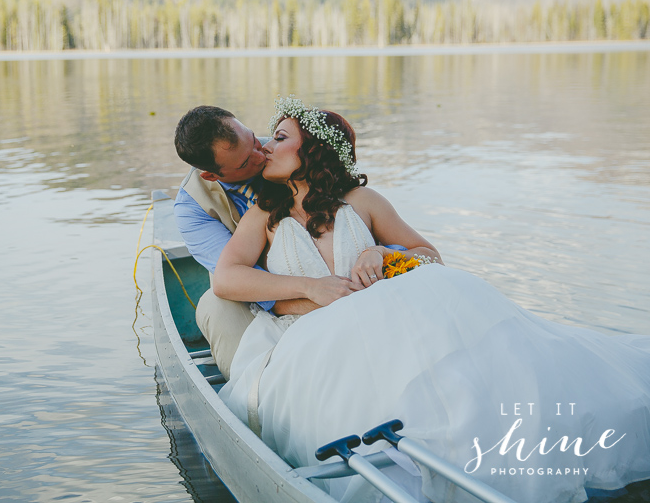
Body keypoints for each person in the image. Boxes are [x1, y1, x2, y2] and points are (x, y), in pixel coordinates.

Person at [214, 97, 650, 503]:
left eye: (281, 137)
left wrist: (382, 253)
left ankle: (479, 451)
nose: (267, 147)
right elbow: (227, 278)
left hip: (389, 319)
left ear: (314, 150)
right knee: (354, 394)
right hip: (319, 336)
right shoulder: (264, 216)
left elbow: (428, 255)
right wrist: (308, 287)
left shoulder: (361, 201)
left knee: (454, 342)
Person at [173, 105, 357, 379]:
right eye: (246, 162)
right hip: (264, 297)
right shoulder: (193, 209)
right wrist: (310, 295)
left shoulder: (285, 152)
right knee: (215, 303)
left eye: (255, 140)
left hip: (331, 280)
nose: (262, 155)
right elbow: (233, 276)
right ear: (211, 175)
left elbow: (353, 221)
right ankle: (252, 387)